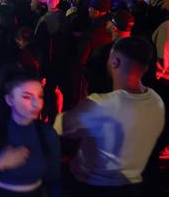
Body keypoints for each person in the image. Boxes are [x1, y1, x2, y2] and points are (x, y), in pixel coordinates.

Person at [55, 36, 165, 196]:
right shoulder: (156, 101)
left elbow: (63, 127)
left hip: (93, 186)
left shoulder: (101, 104)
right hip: (133, 186)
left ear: (115, 62)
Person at [0, 66, 61, 197]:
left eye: (40, 97)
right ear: (9, 100)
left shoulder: (47, 134)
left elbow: (54, 179)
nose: (36, 104)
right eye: (27, 97)